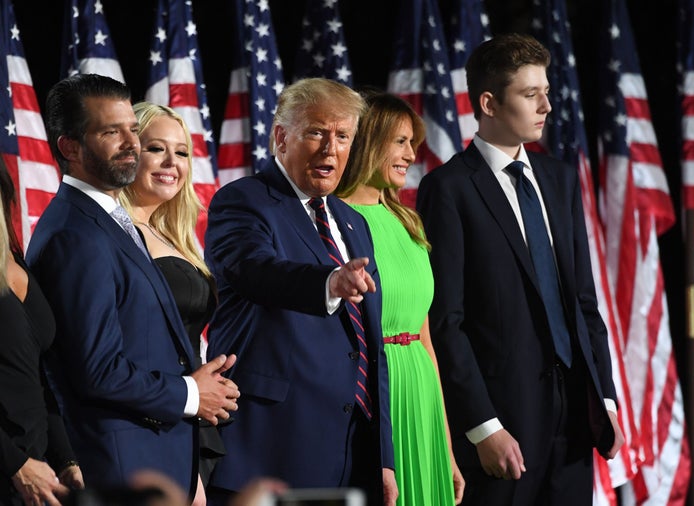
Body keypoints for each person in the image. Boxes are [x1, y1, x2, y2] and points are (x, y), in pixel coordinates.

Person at [415, 33, 624, 505]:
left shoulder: (560, 180)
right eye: (530, 95)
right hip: (501, 424)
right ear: (488, 102)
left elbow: (583, 303)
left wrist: (604, 400)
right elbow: (446, 322)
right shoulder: (447, 189)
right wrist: (482, 426)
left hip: (575, 418)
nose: (546, 105)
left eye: (546, 91)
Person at [25, 73, 240, 498]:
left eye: (132, 129)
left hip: (164, 449)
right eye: (111, 132)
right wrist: (191, 394)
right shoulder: (75, 234)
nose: (132, 143)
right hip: (124, 461)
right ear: (70, 147)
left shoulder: (108, 222)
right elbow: (97, 370)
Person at [203, 77, 397, 506]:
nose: (331, 148)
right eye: (316, 132)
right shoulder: (244, 201)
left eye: (343, 136)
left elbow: (371, 347)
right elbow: (256, 271)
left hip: (351, 451)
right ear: (281, 137)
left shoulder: (353, 222)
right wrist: (328, 282)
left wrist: (384, 456)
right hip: (273, 446)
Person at [335, 91, 464, 506]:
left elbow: (425, 340)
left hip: (420, 390)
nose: (412, 153)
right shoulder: (332, 219)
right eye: (400, 142)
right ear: (369, 141)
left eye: (413, 142)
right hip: (373, 392)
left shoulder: (408, 222)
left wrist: (446, 448)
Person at [118, 102, 226, 506]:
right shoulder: (115, 237)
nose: (171, 162)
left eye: (181, 152)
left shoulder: (174, 238)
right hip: (145, 423)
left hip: (186, 419)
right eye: (156, 148)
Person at [0, 163, 84, 506]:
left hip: (39, 479)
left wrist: (67, 459)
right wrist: (15, 464)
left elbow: (40, 377)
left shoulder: (18, 263)